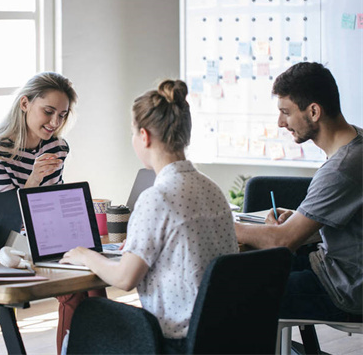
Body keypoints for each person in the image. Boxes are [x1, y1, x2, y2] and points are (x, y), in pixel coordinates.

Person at [61, 79, 239, 353]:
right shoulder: (211, 188)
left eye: (133, 133)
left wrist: (86, 255)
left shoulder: (157, 197)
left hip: (176, 342)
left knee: (89, 314)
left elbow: (124, 279)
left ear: (144, 136)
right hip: (222, 336)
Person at [0, 71, 104, 354]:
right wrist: (32, 181)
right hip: (7, 242)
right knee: (74, 286)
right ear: (24, 104)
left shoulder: (57, 146)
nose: (55, 122)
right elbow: (7, 218)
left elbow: (53, 202)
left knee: (95, 277)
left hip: (44, 235)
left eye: (62, 115)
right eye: (48, 112)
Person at [234, 62, 362, 322]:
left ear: (314, 111)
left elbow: (282, 241)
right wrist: (300, 219)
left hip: (345, 288)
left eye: (285, 112)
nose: (280, 122)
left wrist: (224, 224)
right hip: (338, 268)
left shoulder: (342, 168)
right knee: (248, 272)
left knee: (233, 295)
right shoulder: (355, 144)